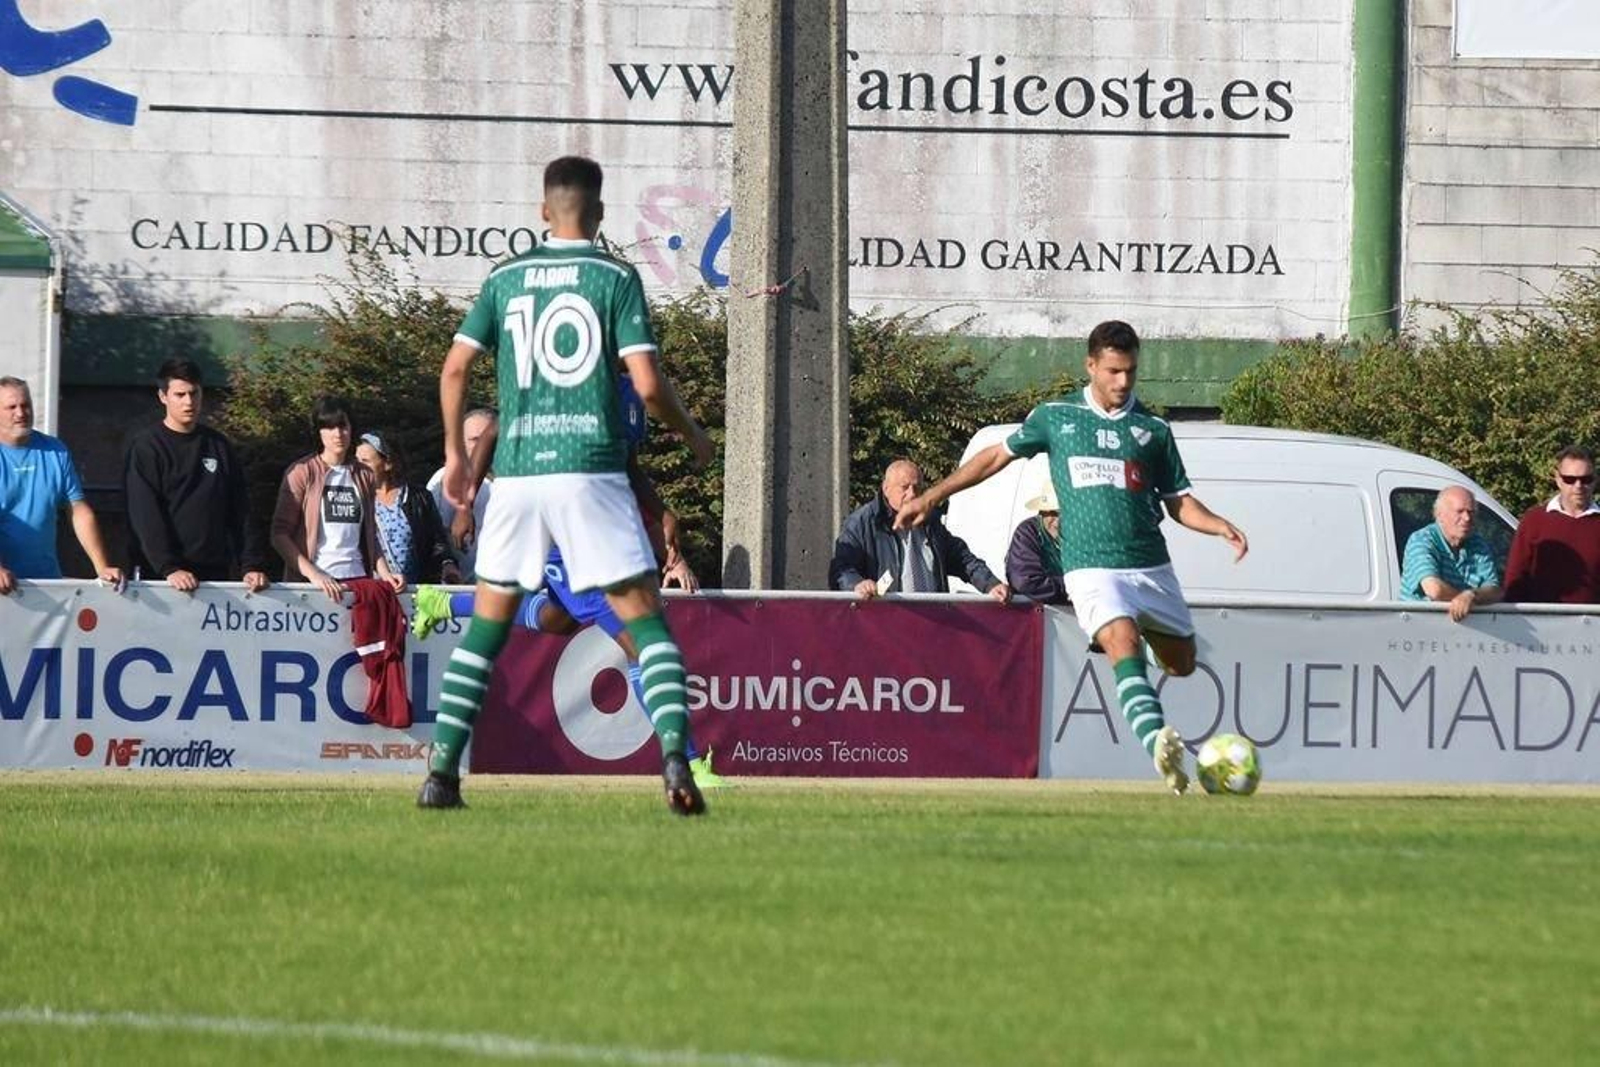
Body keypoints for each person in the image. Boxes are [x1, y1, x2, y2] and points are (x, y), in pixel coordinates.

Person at [418, 155, 715, 815]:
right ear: (600, 212)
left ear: (541, 211)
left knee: (490, 625)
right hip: (591, 470)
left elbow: (454, 368)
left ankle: (440, 775)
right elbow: (644, 384)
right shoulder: (614, 276)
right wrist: (691, 431)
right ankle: (676, 757)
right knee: (646, 622)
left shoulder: (506, 278)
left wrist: (454, 454)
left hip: (521, 476)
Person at [895, 320, 1248, 794]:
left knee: (1182, 664)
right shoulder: (1056, 418)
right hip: (1090, 566)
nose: (1123, 382)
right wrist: (932, 496)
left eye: (1131, 372)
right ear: (1091, 366)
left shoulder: (1153, 431)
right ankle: (1158, 741)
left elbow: (1178, 502)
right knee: (1121, 640)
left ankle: (1147, 649)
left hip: (1150, 564)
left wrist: (1218, 524)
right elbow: (993, 459)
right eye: (1114, 371)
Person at [410, 379, 729, 788]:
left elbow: (627, 466)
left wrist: (662, 512)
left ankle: (442, 605)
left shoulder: (629, 393)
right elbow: (495, 429)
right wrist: (466, 502)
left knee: (557, 619)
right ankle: (689, 763)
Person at [123, 358, 271, 593]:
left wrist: (250, 564)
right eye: (180, 395)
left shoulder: (218, 446)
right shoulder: (147, 448)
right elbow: (144, 514)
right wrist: (168, 567)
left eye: (194, 393)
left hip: (214, 577)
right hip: (161, 581)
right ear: (163, 397)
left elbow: (240, 509)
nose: (188, 402)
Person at [270, 394, 403, 601]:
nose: (338, 434)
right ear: (318, 432)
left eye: (343, 426)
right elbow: (279, 535)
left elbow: (370, 534)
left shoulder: (365, 475)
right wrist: (314, 575)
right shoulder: (302, 472)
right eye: (329, 427)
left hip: (358, 580)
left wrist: (386, 574)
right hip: (315, 586)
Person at [0, 376, 124, 594]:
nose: (20, 413)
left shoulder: (55, 451)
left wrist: (102, 567)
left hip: (47, 585)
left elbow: (78, 510)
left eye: (25, 405)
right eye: (11, 407)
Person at [828, 458, 1010, 601]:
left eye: (917, 487)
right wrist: (857, 584)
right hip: (884, 625)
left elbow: (962, 558)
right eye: (904, 487)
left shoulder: (931, 522)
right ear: (886, 489)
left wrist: (991, 585)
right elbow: (841, 568)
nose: (912, 494)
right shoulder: (862, 523)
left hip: (932, 622)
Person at [355, 431, 460, 586]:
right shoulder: (355, 498)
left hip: (413, 590)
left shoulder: (418, 497)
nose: (358, 467)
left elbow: (437, 541)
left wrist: (447, 564)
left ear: (387, 463)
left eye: (365, 461)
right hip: (372, 589)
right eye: (356, 461)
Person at [1503, 445, 1600, 603]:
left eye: (1585, 479)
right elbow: (1515, 578)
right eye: (1570, 479)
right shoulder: (1534, 520)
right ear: (1558, 479)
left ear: (1595, 479)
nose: (1578, 486)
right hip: (1541, 622)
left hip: (1592, 624)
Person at [1398, 485, 1502, 621]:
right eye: (1460, 511)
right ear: (1440, 515)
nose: (1467, 518)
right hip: (1417, 628)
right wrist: (1463, 599)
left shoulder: (1478, 544)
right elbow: (1434, 590)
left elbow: (1495, 591)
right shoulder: (1421, 540)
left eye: (1470, 512)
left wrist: (1471, 596)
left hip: (1464, 633)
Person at [427, 407, 497, 579]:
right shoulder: (444, 480)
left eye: (488, 440)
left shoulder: (512, 481)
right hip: (457, 584)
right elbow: (432, 534)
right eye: (475, 440)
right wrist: (446, 564)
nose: (483, 446)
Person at [1005, 475, 1069, 605]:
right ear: (1041, 511)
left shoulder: (1084, 534)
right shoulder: (1027, 532)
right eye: (1053, 513)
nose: (1058, 520)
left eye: (1066, 513)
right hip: (1037, 618)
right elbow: (1025, 581)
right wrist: (1075, 588)